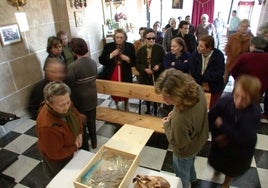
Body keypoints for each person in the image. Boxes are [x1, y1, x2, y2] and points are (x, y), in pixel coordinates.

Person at [155, 68, 209, 188]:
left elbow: (178, 143)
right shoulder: (197, 89)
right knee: (190, 163)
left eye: (165, 96)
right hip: (199, 138)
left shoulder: (181, 119)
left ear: (177, 95)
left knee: (181, 175)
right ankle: (193, 179)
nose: (162, 99)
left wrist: (167, 125)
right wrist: (175, 111)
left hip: (184, 152)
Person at [208, 75, 261, 188]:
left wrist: (222, 125)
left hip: (238, 150)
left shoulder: (254, 113)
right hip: (220, 144)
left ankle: (226, 182)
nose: (238, 102)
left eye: (244, 99)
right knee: (216, 162)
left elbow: (243, 137)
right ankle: (217, 171)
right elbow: (211, 116)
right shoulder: (226, 100)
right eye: (236, 96)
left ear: (252, 98)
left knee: (231, 169)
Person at [36, 81, 83, 180]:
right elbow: (55, 154)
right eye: (62, 105)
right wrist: (74, 147)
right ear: (49, 104)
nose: (67, 107)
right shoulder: (47, 127)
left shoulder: (65, 101)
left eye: (68, 102)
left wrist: (80, 133)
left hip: (68, 148)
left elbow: (76, 115)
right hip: (58, 160)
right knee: (62, 179)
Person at [67, 38, 97, 150]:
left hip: (80, 101)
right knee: (92, 122)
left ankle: (85, 147)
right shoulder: (93, 62)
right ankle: (94, 142)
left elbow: (70, 85)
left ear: (73, 51)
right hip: (93, 98)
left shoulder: (72, 66)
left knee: (81, 125)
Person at [98, 28, 136, 111]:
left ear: (125, 38)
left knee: (126, 90)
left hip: (125, 72)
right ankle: (117, 105)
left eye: (121, 37)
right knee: (114, 89)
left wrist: (128, 59)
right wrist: (111, 55)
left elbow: (134, 61)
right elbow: (101, 60)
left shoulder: (130, 46)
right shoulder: (108, 46)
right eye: (117, 37)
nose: (119, 39)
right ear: (114, 37)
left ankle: (126, 106)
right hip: (113, 71)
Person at [231, 36, 268, 119]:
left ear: (253, 46)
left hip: (242, 86)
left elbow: (233, 70)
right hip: (259, 88)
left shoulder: (244, 57)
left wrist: (238, 80)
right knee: (253, 107)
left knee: (237, 105)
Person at [189, 35, 225, 109]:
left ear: (209, 48)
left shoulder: (219, 55)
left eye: (201, 46)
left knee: (212, 108)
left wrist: (205, 78)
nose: (198, 48)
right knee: (197, 108)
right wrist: (201, 81)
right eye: (198, 45)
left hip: (214, 87)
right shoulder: (195, 54)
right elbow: (193, 71)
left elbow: (219, 73)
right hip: (198, 85)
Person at [135, 28, 165, 115]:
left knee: (156, 94)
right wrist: (144, 69)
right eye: (149, 38)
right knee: (146, 94)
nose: (152, 40)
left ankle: (156, 110)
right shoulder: (141, 50)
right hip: (145, 77)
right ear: (145, 39)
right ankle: (148, 109)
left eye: (153, 38)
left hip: (156, 76)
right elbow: (137, 63)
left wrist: (158, 66)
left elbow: (164, 61)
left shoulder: (160, 48)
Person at [224, 19, 251, 84]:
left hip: (242, 64)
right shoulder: (233, 36)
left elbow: (250, 52)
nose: (244, 28)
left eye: (246, 27)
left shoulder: (250, 39)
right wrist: (229, 55)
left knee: (238, 82)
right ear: (239, 26)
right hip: (231, 61)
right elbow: (227, 48)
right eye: (242, 26)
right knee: (224, 80)